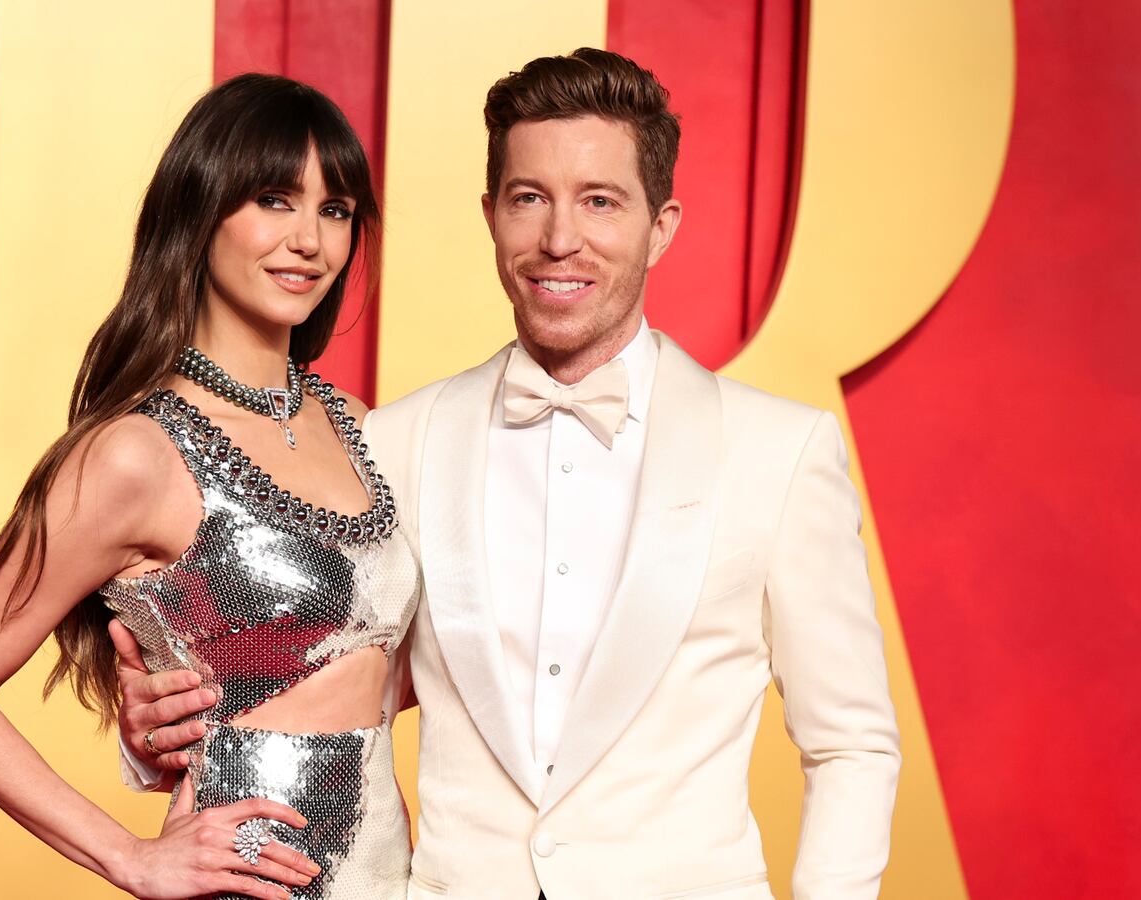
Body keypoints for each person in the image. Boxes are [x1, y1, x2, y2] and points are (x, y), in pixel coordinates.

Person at [119, 48, 901, 899]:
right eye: (531, 199)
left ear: (662, 225)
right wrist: (161, 729)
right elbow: (345, 676)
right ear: (492, 215)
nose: (560, 239)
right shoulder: (392, 441)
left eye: (601, 202)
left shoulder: (778, 451)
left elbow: (851, 743)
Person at [0, 73, 419, 900]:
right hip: (246, 881)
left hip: (391, 874)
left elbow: (381, 668)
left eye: (335, 209)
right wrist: (128, 855)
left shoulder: (360, 426)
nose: (310, 241)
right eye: (273, 200)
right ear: (199, 209)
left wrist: (154, 725)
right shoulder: (135, 454)